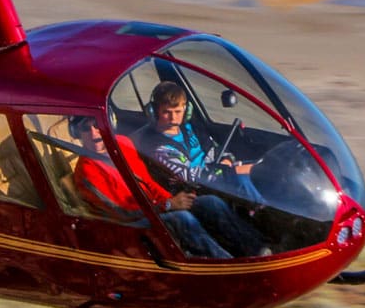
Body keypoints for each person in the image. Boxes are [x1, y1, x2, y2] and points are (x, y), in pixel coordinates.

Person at [70, 116, 264, 259]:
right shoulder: (86, 172)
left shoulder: (122, 144)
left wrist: (175, 200)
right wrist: (170, 206)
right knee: (182, 218)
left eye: (97, 124)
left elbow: (148, 182)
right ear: (76, 134)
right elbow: (121, 213)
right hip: (129, 223)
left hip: (155, 208)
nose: (94, 133)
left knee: (210, 202)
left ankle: (257, 250)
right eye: (86, 128)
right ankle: (226, 264)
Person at [133, 81, 264, 205]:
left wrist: (226, 160)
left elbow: (217, 150)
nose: (173, 118)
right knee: (242, 177)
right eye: (167, 112)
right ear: (154, 112)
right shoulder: (156, 145)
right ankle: (263, 213)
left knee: (265, 167)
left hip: (217, 174)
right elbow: (189, 176)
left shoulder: (191, 128)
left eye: (178, 112)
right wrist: (230, 171)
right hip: (197, 191)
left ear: (186, 110)